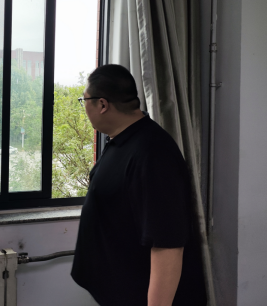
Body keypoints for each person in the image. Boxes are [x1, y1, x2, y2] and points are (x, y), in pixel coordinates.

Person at [71, 64, 206, 306]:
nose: (85, 107)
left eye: (85, 100)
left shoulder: (154, 153)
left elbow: (168, 244)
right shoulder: (122, 139)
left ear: (102, 104)